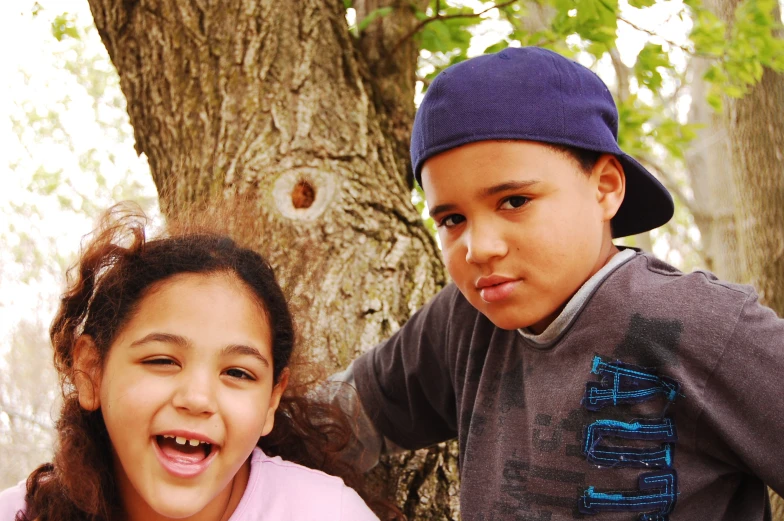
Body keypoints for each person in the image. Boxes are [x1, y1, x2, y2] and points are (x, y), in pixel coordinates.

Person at [339, 47, 784, 520]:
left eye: (514, 200)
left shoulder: (703, 325)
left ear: (605, 187)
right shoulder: (463, 321)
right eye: (452, 218)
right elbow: (339, 419)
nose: (479, 247)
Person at [0, 204, 391, 521]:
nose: (198, 398)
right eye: (162, 360)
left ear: (272, 400)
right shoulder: (19, 513)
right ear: (91, 371)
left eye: (238, 372)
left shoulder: (327, 513)